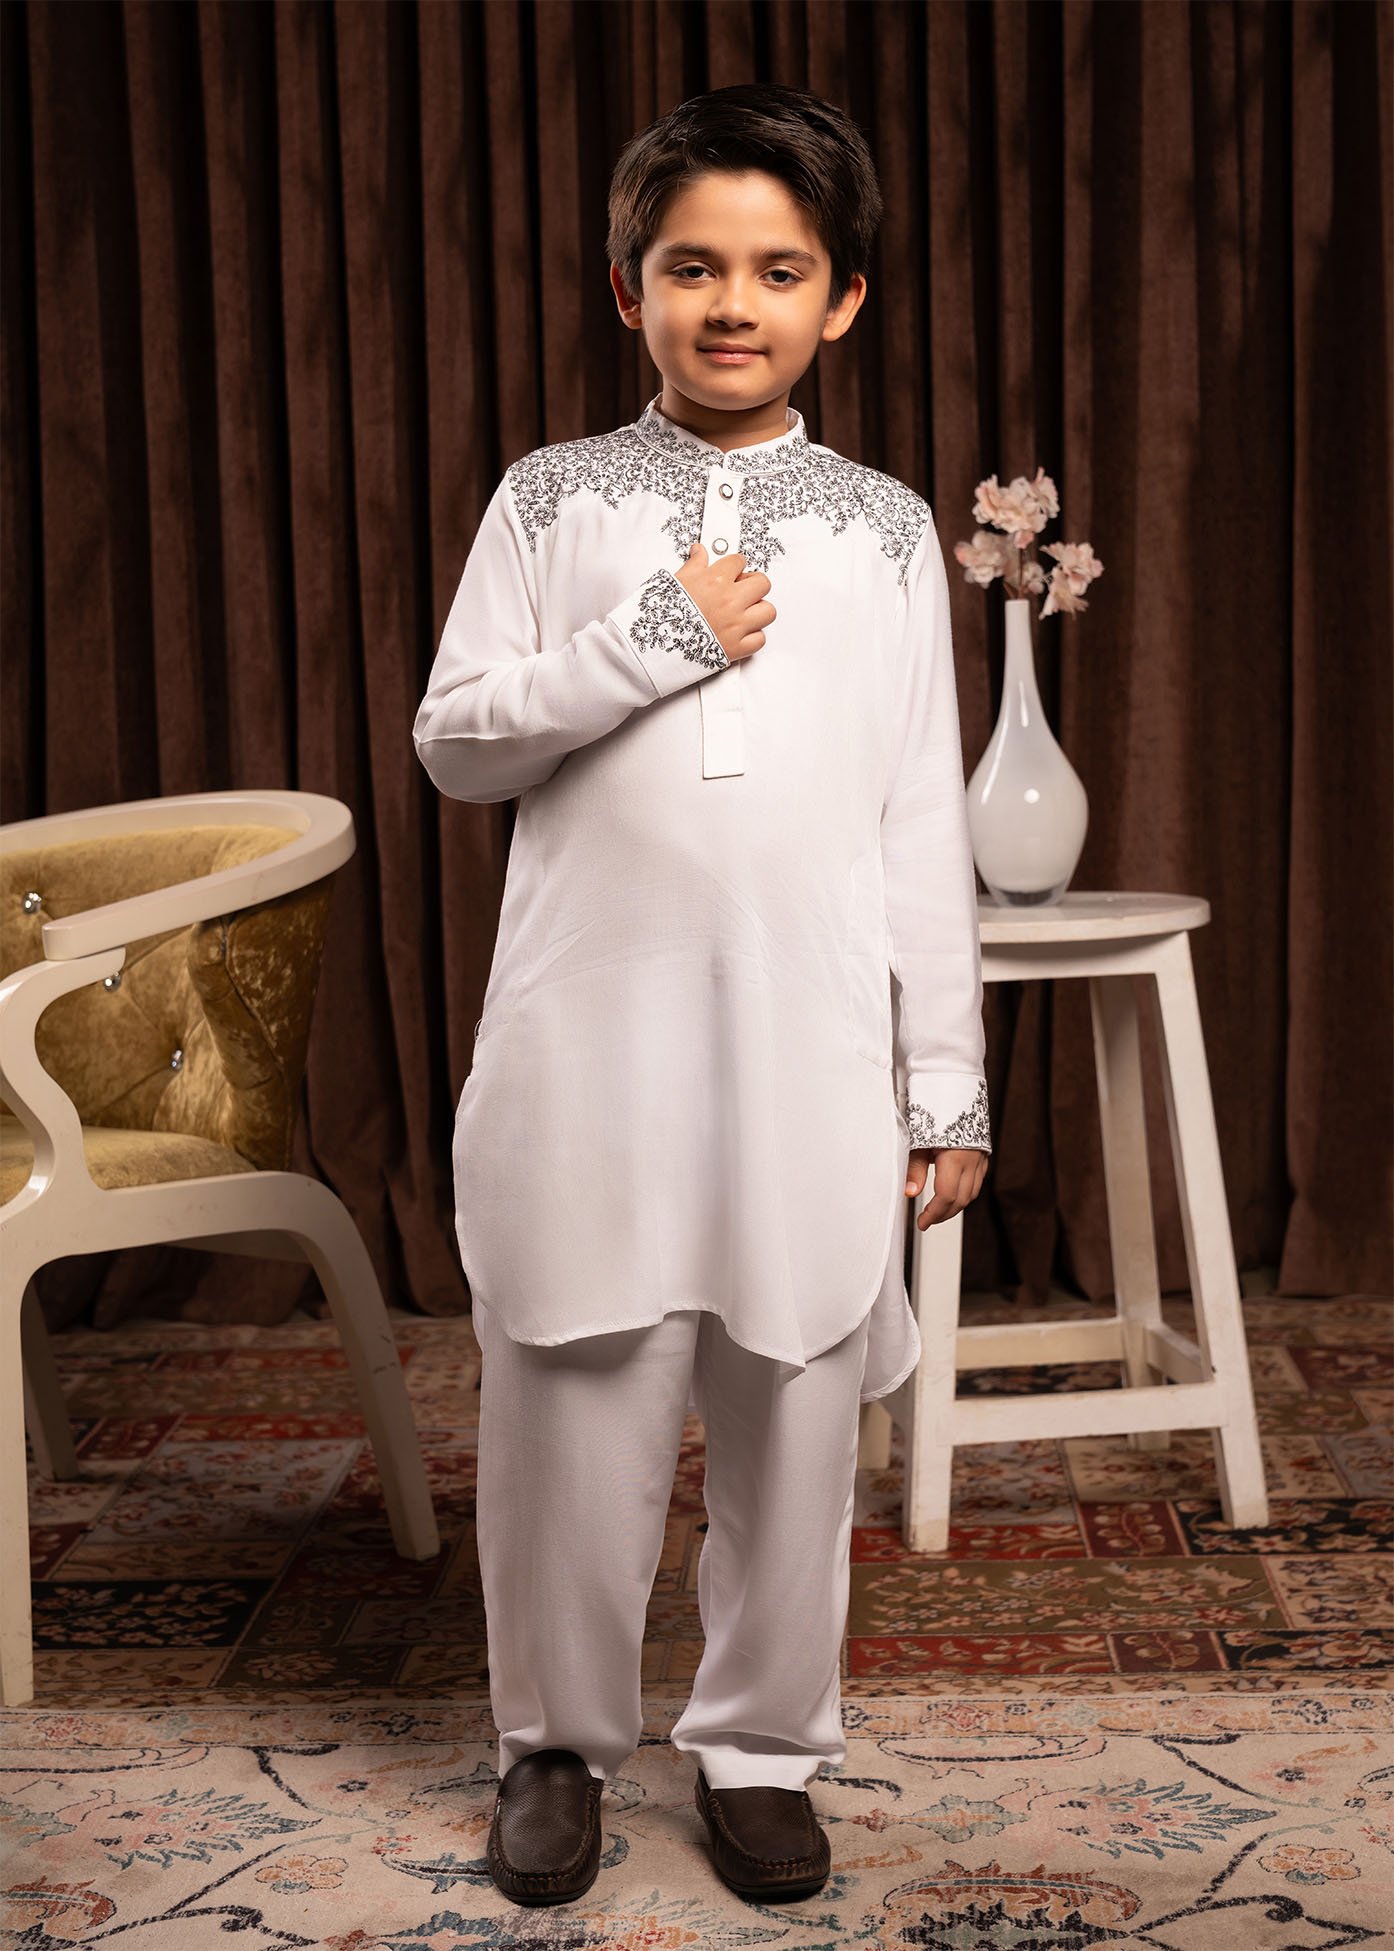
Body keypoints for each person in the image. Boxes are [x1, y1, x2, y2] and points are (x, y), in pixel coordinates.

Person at [413, 81, 991, 1910]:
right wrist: (650, 641)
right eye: (691, 266)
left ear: (844, 301)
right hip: (591, 1036)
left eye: (777, 270)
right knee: (572, 1396)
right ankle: (553, 1744)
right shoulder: (553, 500)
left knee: (796, 1396)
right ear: (627, 287)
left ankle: (760, 1747)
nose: (731, 303)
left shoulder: (883, 531)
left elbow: (917, 816)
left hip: (805, 1044)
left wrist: (943, 1078)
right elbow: (457, 743)